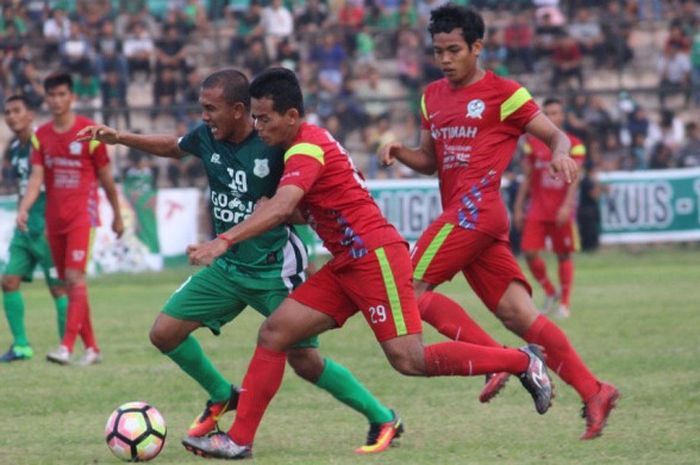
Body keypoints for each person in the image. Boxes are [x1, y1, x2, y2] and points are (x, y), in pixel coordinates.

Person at [180, 67, 553, 460]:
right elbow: (318, 206)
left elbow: (288, 205)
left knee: (410, 360)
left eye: (265, 118)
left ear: (292, 116)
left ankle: (522, 360)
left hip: (375, 258)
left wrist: (224, 239)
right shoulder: (303, 148)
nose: (257, 126)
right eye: (254, 117)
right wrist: (275, 209)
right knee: (275, 334)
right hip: (348, 262)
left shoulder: (306, 146)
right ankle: (238, 440)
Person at [77, 69, 404, 454]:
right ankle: (222, 394)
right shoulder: (207, 138)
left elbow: (309, 201)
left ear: (237, 110)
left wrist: (287, 233)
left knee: (304, 360)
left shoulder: (276, 144)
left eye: (210, 108)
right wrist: (120, 138)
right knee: (164, 332)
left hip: (275, 269)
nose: (203, 116)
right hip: (228, 266)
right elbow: (173, 145)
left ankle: (382, 416)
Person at [379, 5, 619, 440]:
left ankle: (503, 359)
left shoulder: (505, 93)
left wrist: (561, 153)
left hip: (475, 210)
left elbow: (555, 135)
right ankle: (595, 390)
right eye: (438, 51)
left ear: (477, 47)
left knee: (404, 288)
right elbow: (431, 162)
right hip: (466, 217)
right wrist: (400, 152)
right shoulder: (431, 96)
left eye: (455, 50)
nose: (446, 59)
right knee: (517, 312)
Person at [16, 72, 124, 366]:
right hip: (55, 218)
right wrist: (24, 208)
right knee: (69, 283)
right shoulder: (41, 136)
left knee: (74, 279)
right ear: (46, 99)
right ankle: (93, 348)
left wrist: (116, 215)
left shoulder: (90, 131)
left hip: (82, 216)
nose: (57, 100)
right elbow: (36, 179)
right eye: (52, 95)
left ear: (72, 97)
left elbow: (106, 178)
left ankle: (66, 346)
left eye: (62, 94)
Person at [1, 95, 68, 362]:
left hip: (48, 226)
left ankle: (66, 346)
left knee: (58, 289)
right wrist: (22, 212)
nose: (11, 116)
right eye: (7, 112)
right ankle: (21, 346)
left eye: (17, 111)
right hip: (25, 228)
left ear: (30, 114)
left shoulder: (45, 142)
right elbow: (23, 187)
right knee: (8, 281)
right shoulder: (15, 147)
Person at [513, 97, 586, 318]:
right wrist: (518, 207)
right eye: (548, 113)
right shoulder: (530, 144)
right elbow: (527, 178)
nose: (553, 116)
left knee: (563, 255)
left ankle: (565, 303)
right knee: (529, 253)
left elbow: (575, 179)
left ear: (562, 115)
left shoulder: (575, 144)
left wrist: (567, 206)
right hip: (537, 208)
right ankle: (550, 291)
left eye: (556, 112)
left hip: (560, 209)